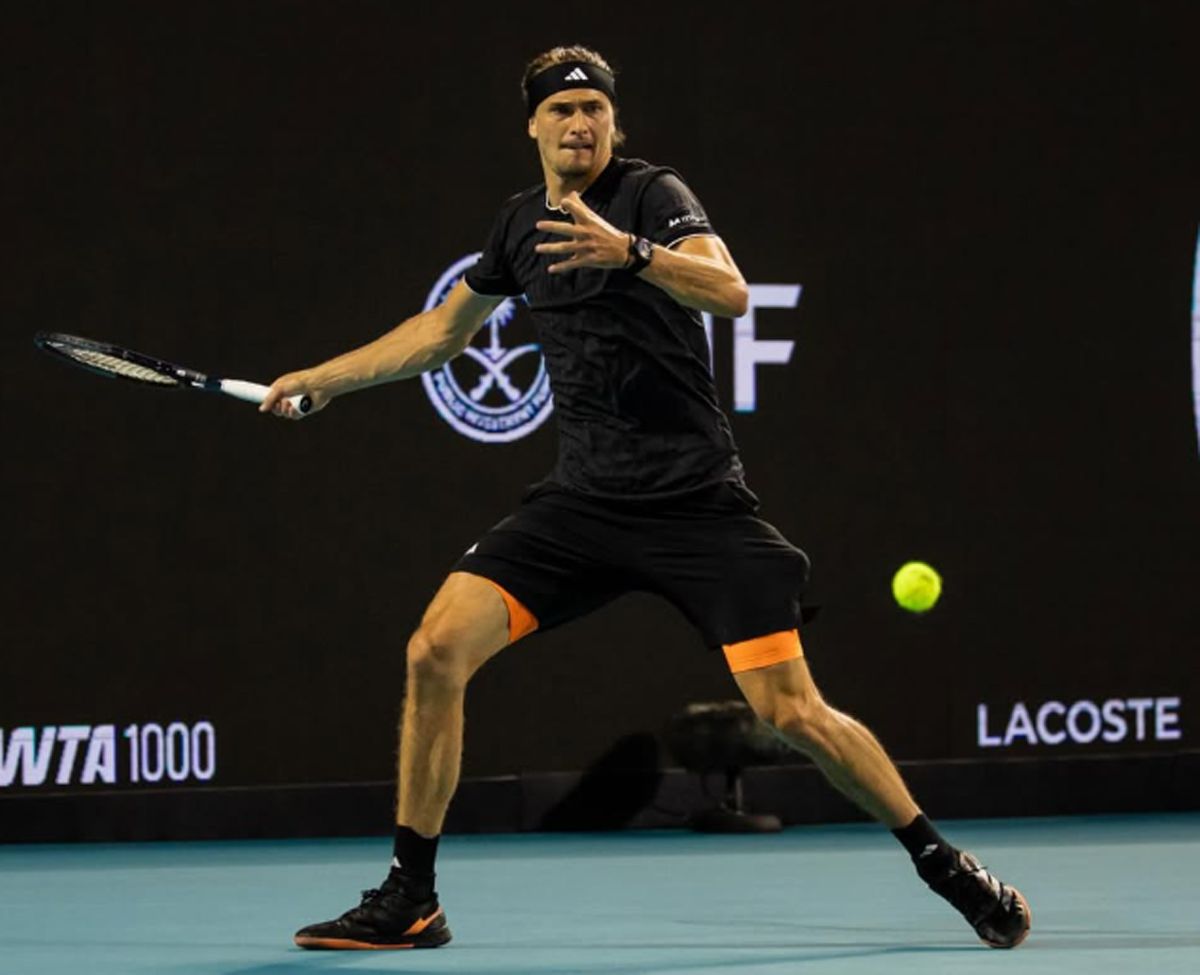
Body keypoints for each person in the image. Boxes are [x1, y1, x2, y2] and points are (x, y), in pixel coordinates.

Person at [261, 45, 1031, 952]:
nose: (579, 122)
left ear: (613, 122)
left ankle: (941, 861)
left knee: (792, 712)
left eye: (594, 107)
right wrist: (323, 378)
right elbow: (438, 333)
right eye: (561, 109)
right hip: (582, 506)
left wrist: (631, 253)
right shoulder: (518, 224)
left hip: (696, 504)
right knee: (434, 649)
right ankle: (411, 896)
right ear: (533, 125)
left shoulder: (652, 195)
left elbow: (730, 291)